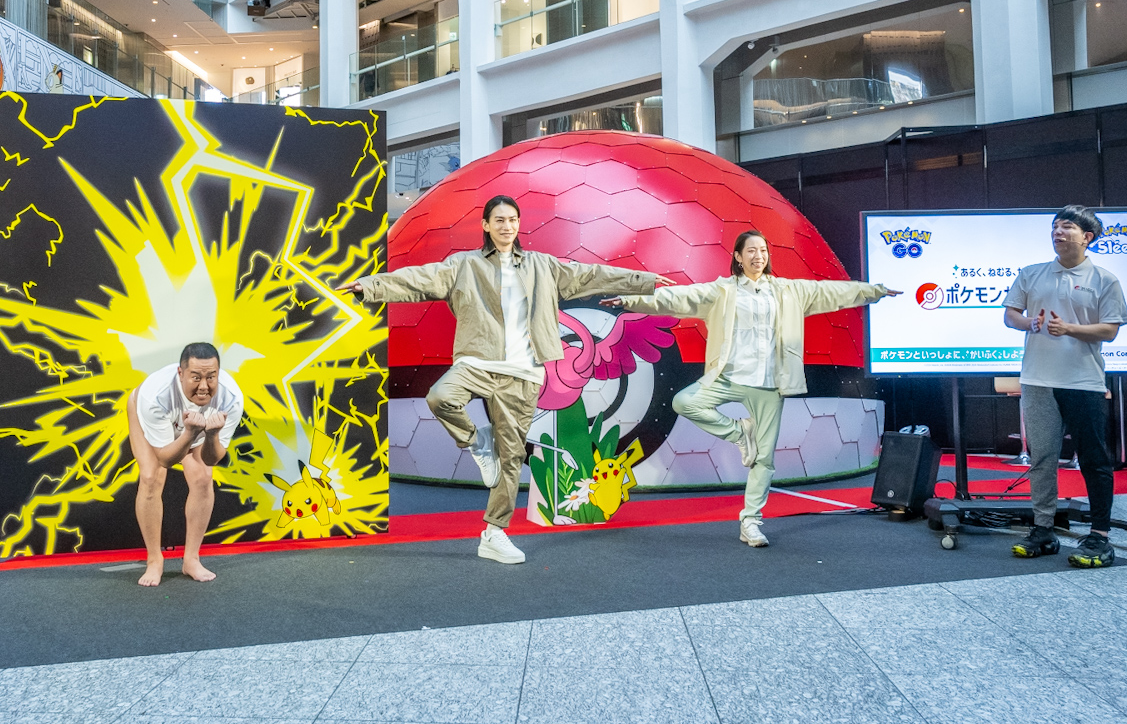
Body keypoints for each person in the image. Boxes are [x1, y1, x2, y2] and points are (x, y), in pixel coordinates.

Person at [338, 195, 672, 565]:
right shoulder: (464, 265)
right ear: (486, 225)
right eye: (498, 220)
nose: (506, 226)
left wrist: (641, 281)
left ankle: (494, 533)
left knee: (511, 457)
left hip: (524, 374)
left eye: (512, 219)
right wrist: (370, 286)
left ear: (518, 224)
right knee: (441, 398)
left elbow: (590, 275)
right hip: (478, 361)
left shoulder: (542, 265)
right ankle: (478, 441)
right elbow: (419, 279)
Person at [603, 230, 899, 547]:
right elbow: (678, 298)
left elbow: (833, 292)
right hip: (728, 377)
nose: (759, 256)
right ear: (738, 257)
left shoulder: (789, 291)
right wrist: (631, 301)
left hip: (769, 384)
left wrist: (876, 291)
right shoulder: (722, 291)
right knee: (684, 402)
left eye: (763, 250)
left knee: (764, 459)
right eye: (752, 251)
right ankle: (740, 433)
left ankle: (751, 522)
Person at [1003, 205, 1127, 568]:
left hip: (1083, 381)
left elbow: (1110, 329)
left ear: (1087, 237)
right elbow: (1010, 315)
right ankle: (1043, 529)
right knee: (1042, 458)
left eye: (1067, 227)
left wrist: (1069, 328)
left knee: (1093, 459)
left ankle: (1099, 535)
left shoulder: (1104, 279)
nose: (1058, 232)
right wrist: (1028, 323)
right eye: (1055, 227)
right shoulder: (1032, 273)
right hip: (1037, 380)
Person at [129, 342, 243, 586]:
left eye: (211, 377)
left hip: (194, 425)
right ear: (180, 374)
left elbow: (212, 459)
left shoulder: (231, 398)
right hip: (150, 414)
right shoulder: (155, 396)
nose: (204, 386)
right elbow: (165, 459)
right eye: (196, 377)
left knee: (203, 478)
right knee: (151, 477)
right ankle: (154, 560)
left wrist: (212, 435)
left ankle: (191, 559)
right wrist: (189, 433)